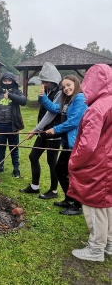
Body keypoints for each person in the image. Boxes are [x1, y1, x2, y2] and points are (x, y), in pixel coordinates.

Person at [68, 64, 112, 262]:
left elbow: (87, 145)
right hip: (108, 162)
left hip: (97, 166)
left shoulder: (96, 109)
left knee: (94, 205)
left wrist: (73, 161)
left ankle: (95, 248)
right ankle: (109, 243)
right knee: (107, 203)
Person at [39, 75, 87, 215]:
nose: (66, 88)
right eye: (64, 86)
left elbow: (74, 121)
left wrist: (55, 129)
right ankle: (69, 199)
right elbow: (55, 108)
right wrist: (43, 98)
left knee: (70, 172)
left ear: (76, 83)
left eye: (69, 85)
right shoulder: (69, 100)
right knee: (61, 169)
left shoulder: (79, 98)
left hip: (76, 143)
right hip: (68, 142)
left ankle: (76, 205)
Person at [20, 62, 62, 198]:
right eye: (43, 81)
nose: (44, 83)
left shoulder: (60, 92)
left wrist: (35, 129)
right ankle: (35, 186)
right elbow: (43, 108)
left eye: (46, 81)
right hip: (43, 132)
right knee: (33, 156)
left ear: (53, 80)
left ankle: (54, 191)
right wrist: (41, 97)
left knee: (52, 162)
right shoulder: (48, 90)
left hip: (53, 133)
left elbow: (51, 114)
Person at [0, 72, 26, 178]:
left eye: (9, 81)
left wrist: (10, 95)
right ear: (2, 81)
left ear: (12, 81)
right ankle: (0, 166)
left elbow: (23, 101)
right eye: (5, 81)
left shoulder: (17, 92)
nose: (7, 82)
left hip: (12, 125)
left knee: (14, 148)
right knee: (1, 147)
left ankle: (16, 169)